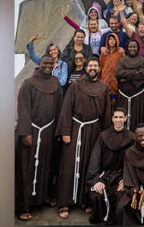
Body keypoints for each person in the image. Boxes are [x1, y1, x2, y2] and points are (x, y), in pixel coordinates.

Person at [56, 56, 110, 219]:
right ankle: (64, 202)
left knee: (89, 164)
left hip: (94, 130)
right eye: (90, 65)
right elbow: (66, 108)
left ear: (99, 69)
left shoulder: (104, 87)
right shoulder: (76, 85)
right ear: (85, 68)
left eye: (95, 65)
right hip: (75, 128)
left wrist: (105, 135)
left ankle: (84, 201)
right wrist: (65, 131)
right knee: (69, 165)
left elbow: (107, 112)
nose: (93, 68)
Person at [16, 56, 63, 222]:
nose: (48, 66)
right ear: (39, 64)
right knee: (27, 169)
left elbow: (59, 108)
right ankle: (24, 205)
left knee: (45, 166)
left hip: (49, 131)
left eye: (51, 63)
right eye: (45, 63)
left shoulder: (56, 83)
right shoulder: (28, 83)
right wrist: (25, 132)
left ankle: (40, 200)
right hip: (32, 131)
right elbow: (23, 109)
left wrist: (58, 131)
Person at [85, 108, 134, 225]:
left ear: (126, 118)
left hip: (121, 176)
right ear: (112, 119)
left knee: (121, 196)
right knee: (96, 195)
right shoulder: (103, 136)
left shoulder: (131, 137)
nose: (118, 120)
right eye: (116, 117)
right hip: (105, 176)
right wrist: (96, 181)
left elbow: (133, 163)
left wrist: (126, 180)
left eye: (121, 117)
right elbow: (95, 160)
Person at [115, 41, 144, 130]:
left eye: (134, 47)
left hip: (137, 94)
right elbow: (118, 73)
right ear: (127, 48)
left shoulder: (142, 60)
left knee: (136, 117)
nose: (132, 48)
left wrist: (126, 78)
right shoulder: (122, 60)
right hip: (124, 94)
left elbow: (143, 76)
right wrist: (135, 72)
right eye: (130, 47)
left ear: (138, 48)